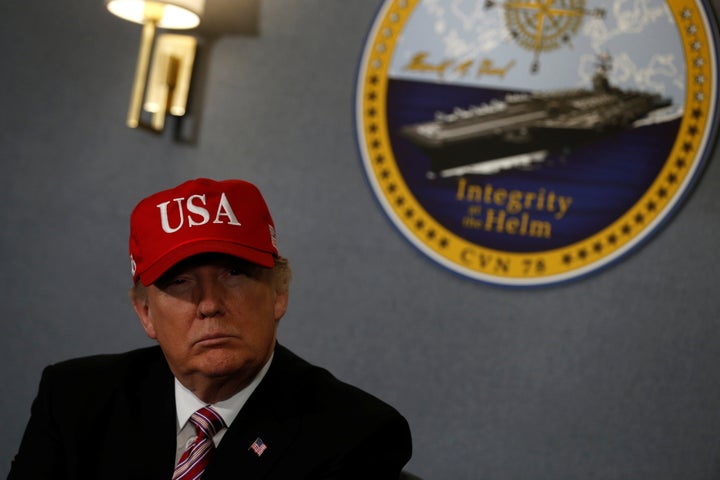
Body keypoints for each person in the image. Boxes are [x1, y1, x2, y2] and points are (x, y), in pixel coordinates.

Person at [8, 178, 412, 480]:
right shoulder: (75, 400)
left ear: (279, 294)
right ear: (145, 312)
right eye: (180, 282)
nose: (209, 304)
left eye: (233, 274)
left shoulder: (356, 434)